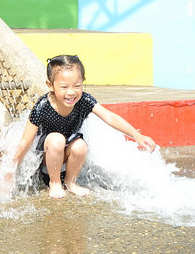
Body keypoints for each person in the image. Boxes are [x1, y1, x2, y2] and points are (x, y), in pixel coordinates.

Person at [9, 54, 156, 199]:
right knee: (56, 139)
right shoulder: (42, 106)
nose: (71, 92)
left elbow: (109, 116)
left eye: (77, 86)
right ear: (50, 85)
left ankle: (70, 182)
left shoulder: (84, 100)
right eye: (64, 87)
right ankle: (55, 184)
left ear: (83, 82)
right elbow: (25, 142)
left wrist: (136, 135)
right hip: (44, 160)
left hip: (65, 156)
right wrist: (10, 172)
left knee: (80, 145)